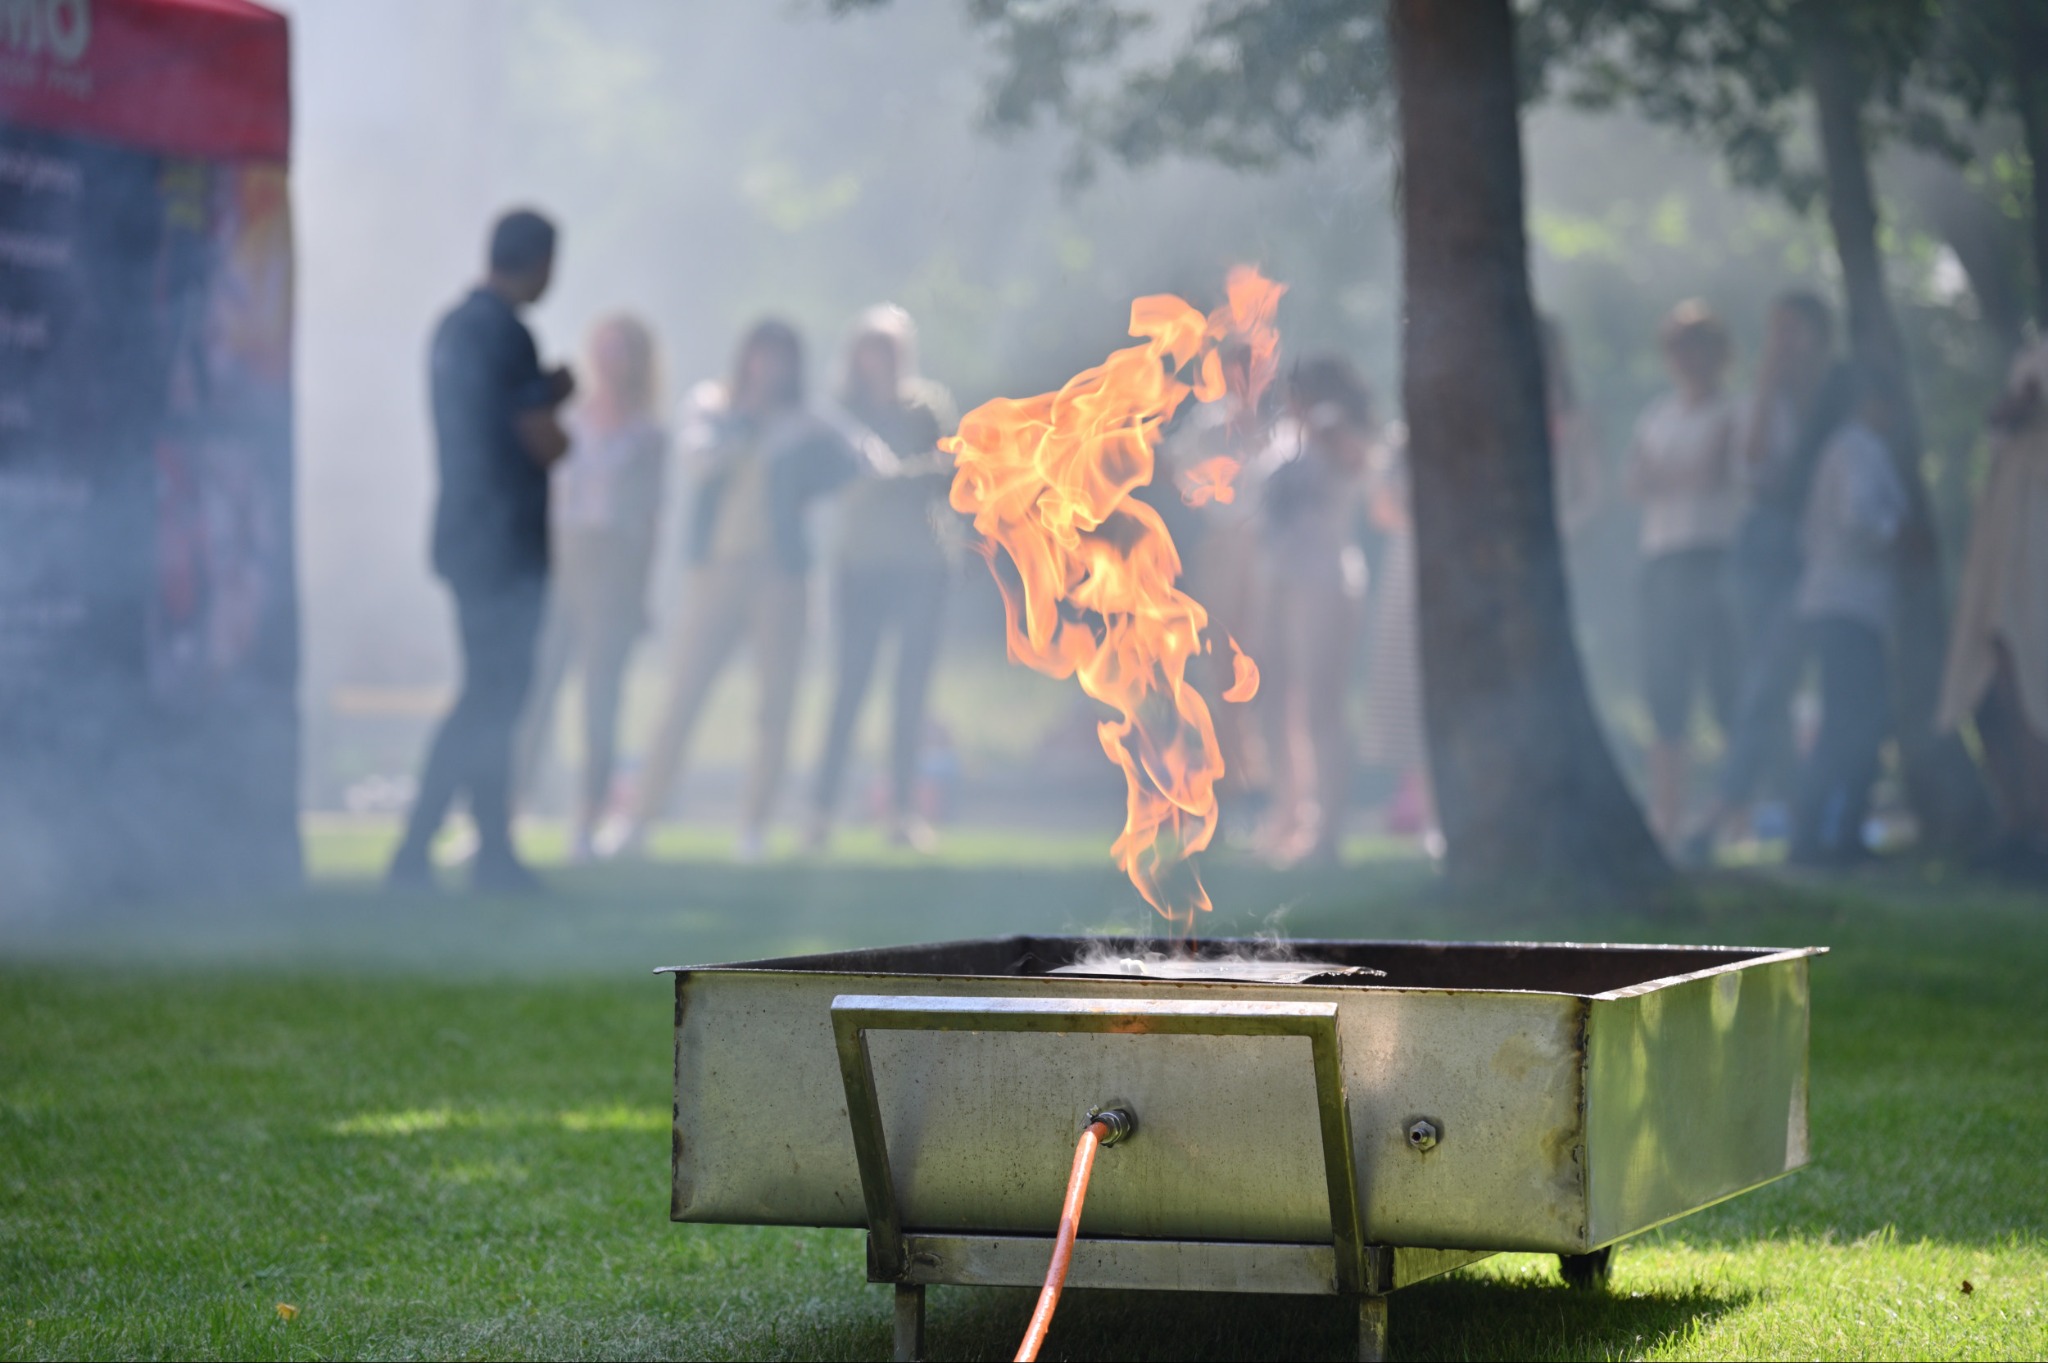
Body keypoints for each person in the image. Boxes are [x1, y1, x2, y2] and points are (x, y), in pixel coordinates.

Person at [611, 320, 858, 861]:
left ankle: (754, 827)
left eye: (781, 358)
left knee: (776, 707)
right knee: (682, 696)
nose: (769, 368)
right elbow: (699, 460)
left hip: (784, 578)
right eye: (761, 356)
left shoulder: (808, 422)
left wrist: (813, 468)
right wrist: (746, 423)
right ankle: (638, 819)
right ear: (745, 358)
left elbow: (859, 458)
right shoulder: (711, 406)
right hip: (717, 574)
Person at [388, 209, 573, 893]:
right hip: (506, 543)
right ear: (542, 262)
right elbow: (540, 440)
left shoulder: (454, 327)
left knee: (488, 692)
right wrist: (560, 415)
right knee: (492, 695)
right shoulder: (508, 333)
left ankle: (488, 847)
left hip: (463, 533)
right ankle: (421, 846)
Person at [1684, 290, 1854, 861]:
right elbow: (1754, 464)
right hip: (1765, 547)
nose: (1785, 342)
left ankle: (1731, 812)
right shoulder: (1762, 399)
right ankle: (1757, 812)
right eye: (1776, 330)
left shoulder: (1838, 393)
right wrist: (1765, 382)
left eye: (1795, 330)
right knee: (1766, 680)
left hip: (1821, 547)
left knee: (1783, 681)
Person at [513, 314, 668, 863]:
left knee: (601, 702)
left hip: (614, 567)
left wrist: (641, 591)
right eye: (601, 348)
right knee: (538, 693)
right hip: (564, 559)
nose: (607, 360)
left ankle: (587, 819)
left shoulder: (648, 434)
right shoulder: (570, 417)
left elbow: (650, 518)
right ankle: (510, 810)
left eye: (619, 350)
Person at [804, 306, 956, 853]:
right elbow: (833, 478)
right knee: (849, 687)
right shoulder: (838, 412)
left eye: (889, 349)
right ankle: (820, 811)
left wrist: (892, 476)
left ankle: (903, 813)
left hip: (921, 567)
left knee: (910, 695)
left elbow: (949, 474)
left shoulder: (925, 408)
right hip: (859, 568)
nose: (880, 360)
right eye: (871, 348)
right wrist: (886, 479)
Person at [1624, 301, 1742, 846]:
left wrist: (1667, 475)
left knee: (1725, 685)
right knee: (1665, 690)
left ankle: (1733, 814)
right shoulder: (1656, 416)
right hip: (1662, 559)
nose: (1687, 360)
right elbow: (1635, 482)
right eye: (1678, 349)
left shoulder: (1735, 413)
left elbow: (1711, 473)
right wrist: (1674, 475)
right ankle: (1667, 816)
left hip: (1714, 559)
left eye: (1697, 348)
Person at [1255, 356, 1374, 866]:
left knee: (1321, 705)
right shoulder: (1283, 436)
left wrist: (1330, 428)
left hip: (1323, 577)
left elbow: (1357, 465)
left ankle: (1328, 831)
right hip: (1276, 576)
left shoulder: (1338, 431)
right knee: (1272, 700)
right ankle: (1290, 812)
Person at [1788, 368, 1907, 865]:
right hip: (1848, 603)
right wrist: (1897, 535)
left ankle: (1831, 835)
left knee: (1854, 720)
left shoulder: (1842, 447)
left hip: (1841, 604)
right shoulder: (1858, 447)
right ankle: (1823, 837)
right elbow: (1859, 516)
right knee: (1852, 722)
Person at [1937, 340, 2048, 876]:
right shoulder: (2029, 352)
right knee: (1994, 668)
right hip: (2011, 525)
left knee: (2031, 669)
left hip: (2038, 524)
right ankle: (2022, 821)